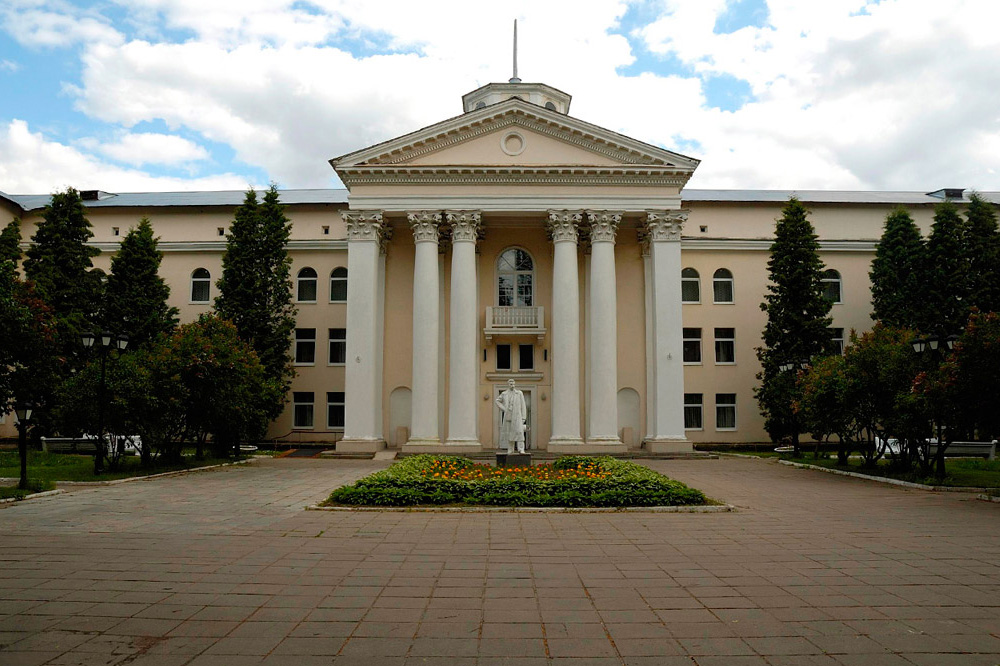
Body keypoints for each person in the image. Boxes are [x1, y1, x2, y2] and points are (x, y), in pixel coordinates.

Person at [495, 378, 527, 454]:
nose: (512, 385)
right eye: (511, 384)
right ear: (508, 385)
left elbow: (523, 405)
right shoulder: (504, 394)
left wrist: (523, 417)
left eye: (513, 384)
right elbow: (497, 401)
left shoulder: (519, 393)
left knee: (519, 432)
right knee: (510, 433)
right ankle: (510, 449)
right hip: (508, 416)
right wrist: (504, 408)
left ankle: (521, 449)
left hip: (517, 416)